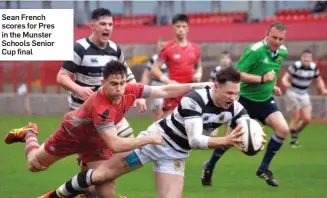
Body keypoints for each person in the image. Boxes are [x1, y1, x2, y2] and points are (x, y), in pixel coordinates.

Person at [38, 67, 266, 198]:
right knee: (100, 176)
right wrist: (226, 140)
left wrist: (256, 137)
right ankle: (57, 195)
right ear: (215, 87)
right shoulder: (194, 100)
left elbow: (247, 127)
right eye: (228, 93)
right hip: (152, 143)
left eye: (236, 94)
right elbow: (196, 140)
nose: (232, 98)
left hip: (175, 156)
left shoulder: (236, 107)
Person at [4, 61, 212, 198]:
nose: (120, 89)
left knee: (105, 185)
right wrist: (147, 139)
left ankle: (77, 192)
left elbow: (164, 90)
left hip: (97, 141)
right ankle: (29, 132)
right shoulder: (100, 105)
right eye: (114, 84)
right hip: (72, 134)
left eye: (122, 83)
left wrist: (199, 86)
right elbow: (115, 144)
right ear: (103, 83)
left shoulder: (130, 89)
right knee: (34, 165)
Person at [56, 8, 143, 197]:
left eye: (110, 24)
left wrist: (138, 95)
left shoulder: (114, 49)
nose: (107, 28)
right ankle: (91, 184)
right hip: (83, 111)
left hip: (108, 109)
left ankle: (89, 183)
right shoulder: (79, 48)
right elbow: (62, 77)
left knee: (127, 144)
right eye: (103, 24)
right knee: (98, 153)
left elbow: (125, 73)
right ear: (92, 25)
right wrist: (79, 89)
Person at [202, 22, 289, 187]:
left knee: (283, 129)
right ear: (267, 34)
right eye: (274, 37)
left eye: (280, 39)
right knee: (229, 141)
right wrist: (263, 80)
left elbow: (273, 72)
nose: (277, 42)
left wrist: (272, 87)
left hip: (264, 101)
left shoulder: (283, 52)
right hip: (245, 101)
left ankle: (263, 168)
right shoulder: (255, 50)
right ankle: (209, 165)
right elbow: (237, 74)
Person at [151, 13, 202, 117]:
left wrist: (198, 75)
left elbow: (199, 67)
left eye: (184, 26)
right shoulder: (167, 48)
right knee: (168, 126)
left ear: (188, 28)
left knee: (190, 126)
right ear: (173, 28)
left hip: (190, 92)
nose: (181, 29)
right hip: (173, 92)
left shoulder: (195, 48)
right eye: (178, 26)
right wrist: (168, 81)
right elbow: (154, 69)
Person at [282, 49, 327, 148]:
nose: (306, 59)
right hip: (292, 93)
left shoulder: (313, 67)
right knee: (296, 114)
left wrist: (323, 89)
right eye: (304, 57)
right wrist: (286, 83)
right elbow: (285, 78)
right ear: (301, 58)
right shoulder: (296, 66)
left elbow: (318, 79)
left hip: (304, 94)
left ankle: (294, 132)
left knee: (307, 119)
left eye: (308, 57)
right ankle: (293, 141)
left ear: (311, 59)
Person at [141, 38, 169, 121]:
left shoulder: (171, 58)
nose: (162, 48)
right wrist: (142, 92)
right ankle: (155, 131)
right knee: (158, 113)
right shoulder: (154, 59)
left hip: (170, 88)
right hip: (157, 87)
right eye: (161, 46)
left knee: (168, 113)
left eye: (164, 46)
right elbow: (146, 76)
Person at [207, 50, 233, 137]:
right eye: (223, 58)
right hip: (218, 95)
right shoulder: (216, 70)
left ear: (229, 59)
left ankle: (227, 136)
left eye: (227, 58)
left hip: (229, 96)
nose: (225, 60)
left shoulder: (233, 70)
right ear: (220, 59)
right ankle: (215, 129)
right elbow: (210, 81)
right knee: (215, 111)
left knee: (228, 114)